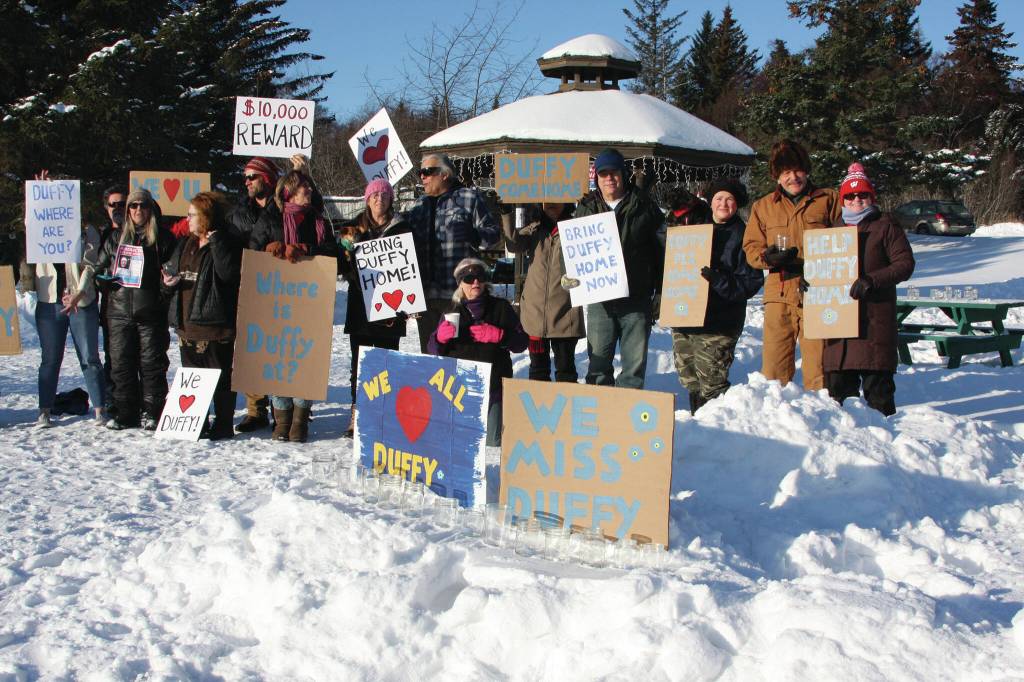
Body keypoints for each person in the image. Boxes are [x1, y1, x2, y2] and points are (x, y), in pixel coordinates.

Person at [743, 139, 842, 390]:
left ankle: (822, 413)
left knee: (818, 363)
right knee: (774, 366)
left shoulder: (828, 199)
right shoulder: (763, 207)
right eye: (786, 172)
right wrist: (767, 257)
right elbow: (751, 247)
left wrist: (828, 269)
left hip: (818, 290)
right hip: (780, 288)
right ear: (777, 176)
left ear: (806, 170)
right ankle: (778, 416)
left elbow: (845, 241)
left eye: (797, 170)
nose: (793, 177)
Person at [251, 169, 338, 442]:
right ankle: (282, 419)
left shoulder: (319, 221)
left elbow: (334, 254)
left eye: (309, 188)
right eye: (304, 189)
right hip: (276, 301)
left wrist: (307, 250)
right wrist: (269, 249)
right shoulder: (270, 218)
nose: (309, 192)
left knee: (305, 357)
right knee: (279, 357)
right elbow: (253, 249)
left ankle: (300, 420)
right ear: (289, 192)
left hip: (310, 300)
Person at [823, 163, 915, 416]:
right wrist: (812, 281)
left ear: (871, 197)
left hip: (873, 323)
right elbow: (821, 268)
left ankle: (885, 445)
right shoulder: (833, 230)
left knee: (878, 396)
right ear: (843, 199)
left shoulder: (885, 226)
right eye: (850, 195)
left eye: (862, 194)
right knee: (839, 400)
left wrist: (872, 280)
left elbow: (905, 264)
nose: (856, 200)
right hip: (839, 327)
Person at [573, 148, 665, 389]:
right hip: (600, 300)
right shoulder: (586, 208)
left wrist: (661, 290)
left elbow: (662, 252)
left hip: (636, 298)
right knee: (598, 364)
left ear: (623, 175)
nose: (609, 178)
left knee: (634, 367)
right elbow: (572, 249)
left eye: (614, 173)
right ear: (597, 178)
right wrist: (570, 275)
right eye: (603, 174)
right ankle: (600, 414)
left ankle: (626, 416)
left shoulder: (645, 207)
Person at [670, 178, 764, 414]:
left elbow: (751, 281)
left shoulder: (743, 235)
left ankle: (715, 430)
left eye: (730, 199)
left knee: (712, 381)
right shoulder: (693, 229)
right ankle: (697, 424)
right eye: (719, 198)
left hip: (720, 321)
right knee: (689, 377)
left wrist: (720, 280)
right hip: (687, 316)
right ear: (710, 202)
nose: (724, 204)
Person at [21, 171, 105, 427]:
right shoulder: (41, 225)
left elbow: (91, 266)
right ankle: (44, 410)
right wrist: (40, 193)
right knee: (50, 358)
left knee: (89, 357)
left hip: (81, 302)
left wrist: (78, 292)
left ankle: (101, 409)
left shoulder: (87, 230)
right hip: (49, 301)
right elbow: (30, 223)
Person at [162, 191, 243, 439]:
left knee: (220, 378)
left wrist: (216, 241)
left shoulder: (226, 241)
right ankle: (196, 422)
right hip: (187, 321)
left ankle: (223, 423)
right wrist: (167, 281)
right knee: (193, 378)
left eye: (193, 215)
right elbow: (172, 268)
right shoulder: (186, 242)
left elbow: (228, 273)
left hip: (215, 323)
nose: (187, 219)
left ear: (206, 217)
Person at [94, 188, 175, 430]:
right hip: (118, 312)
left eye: (143, 205)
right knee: (120, 364)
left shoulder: (163, 238)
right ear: (128, 210)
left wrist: (163, 291)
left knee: (152, 364)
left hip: (150, 313)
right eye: (133, 205)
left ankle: (153, 412)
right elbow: (98, 270)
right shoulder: (114, 238)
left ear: (151, 208)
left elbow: (172, 272)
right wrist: (106, 279)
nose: (138, 210)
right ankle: (125, 414)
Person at [404, 153, 500, 352]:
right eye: (420, 172)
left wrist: (474, 236)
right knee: (431, 355)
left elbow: (494, 235)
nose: (422, 176)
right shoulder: (418, 206)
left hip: (458, 295)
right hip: (426, 297)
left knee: (459, 354)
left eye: (427, 172)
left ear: (445, 174)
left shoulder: (469, 198)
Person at [427, 258, 528, 446]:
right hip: (458, 393)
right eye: (469, 278)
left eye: (480, 277)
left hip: (494, 388)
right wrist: (439, 338)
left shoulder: (500, 307)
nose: (475, 282)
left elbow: (522, 343)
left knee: (492, 444)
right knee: (460, 445)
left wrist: (500, 336)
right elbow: (433, 350)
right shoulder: (451, 310)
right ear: (460, 284)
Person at [338, 179, 409, 436]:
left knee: (387, 363)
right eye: (374, 195)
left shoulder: (402, 228)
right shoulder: (352, 230)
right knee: (360, 363)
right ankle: (357, 415)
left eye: (384, 195)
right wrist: (349, 252)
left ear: (391, 199)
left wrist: (410, 301)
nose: (379, 199)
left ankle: (384, 414)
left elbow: (409, 268)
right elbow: (343, 268)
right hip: (361, 307)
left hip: (392, 307)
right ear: (367, 199)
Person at [501, 202, 584, 382]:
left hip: (565, 316)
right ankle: (538, 409)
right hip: (535, 317)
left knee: (566, 370)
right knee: (538, 370)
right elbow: (514, 245)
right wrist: (507, 213)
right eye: (547, 198)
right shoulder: (534, 228)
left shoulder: (577, 227)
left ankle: (566, 410)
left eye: (557, 198)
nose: (551, 203)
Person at [228, 156, 281, 433]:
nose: (247, 182)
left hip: (282, 286)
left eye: (253, 177)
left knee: (282, 346)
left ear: (267, 179)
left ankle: (283, 410)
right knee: (253, 345)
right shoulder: (239, 212)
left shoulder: (284, 206)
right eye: (246, 177)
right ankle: (255, 409)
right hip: (249, 285)